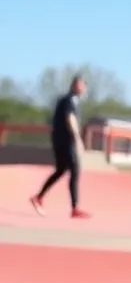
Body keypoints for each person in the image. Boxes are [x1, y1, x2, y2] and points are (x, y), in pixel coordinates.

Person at [30, 74, 91, 219]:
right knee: (75, 170)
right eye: (81, 85)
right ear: (75, 85)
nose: (83, 88)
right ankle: (75, 208)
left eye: (84, 86)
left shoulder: (71, 101)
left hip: (59, 141)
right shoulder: (69, 100)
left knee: (61, 170)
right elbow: (70, 119)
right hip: (65, 142)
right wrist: (77, 139)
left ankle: (38, 197)